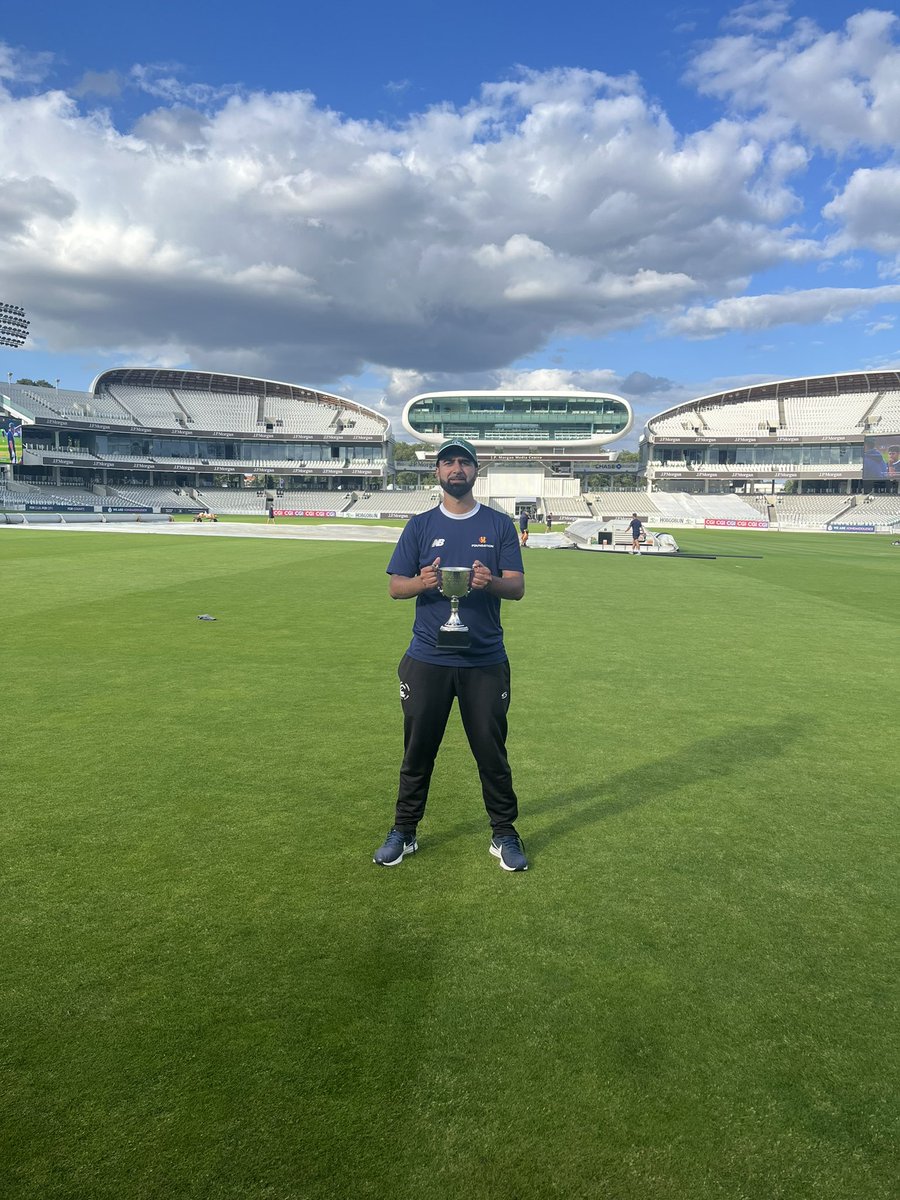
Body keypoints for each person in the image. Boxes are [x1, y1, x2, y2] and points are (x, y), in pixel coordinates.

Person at [373, 437, 528, 872]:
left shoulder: (498, 524)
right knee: (418, 751)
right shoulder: (420, 525)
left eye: (464, 462)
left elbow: (516, 586)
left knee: (491, 753)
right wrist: (421, 583)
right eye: (448, 462)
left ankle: (504, 833)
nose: (456, 469)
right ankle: (404, 831)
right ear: (437, 471)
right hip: (428, 659)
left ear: (476, 471)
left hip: (484, 661)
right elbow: (395, 587)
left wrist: (489, 582)